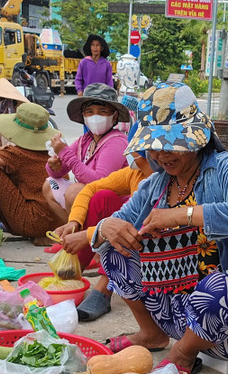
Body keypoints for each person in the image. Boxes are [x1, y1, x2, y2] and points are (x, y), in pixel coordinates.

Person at [94, 83, 228, 374]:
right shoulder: (157, 184)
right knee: (116, 251)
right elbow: (117, 225)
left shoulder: (224, 168)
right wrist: (106, 226)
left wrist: (184, 215)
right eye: (155, 145)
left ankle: (183, 353)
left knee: (219, 287)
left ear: (195, 138)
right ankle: (152, 334)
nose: (162, 154)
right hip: (174, 315)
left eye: (172, 144)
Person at [51, 130, 156, 322]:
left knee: (119, 235)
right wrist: (74, 222)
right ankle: (73, 277)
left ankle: (104, 288)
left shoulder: (164, 181)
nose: (134, 160)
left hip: (152, 251)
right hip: (128, 232)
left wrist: (88, 235)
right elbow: (91, 187)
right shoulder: (135, 173)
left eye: (138, 156)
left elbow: (138, 225)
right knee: (102, 198)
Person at [0, 103, 62, 242]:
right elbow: (2, 150)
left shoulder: (19, 153)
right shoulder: (51, 150)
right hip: (57, 221)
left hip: (32, 221)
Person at [42, 83, 129, 225]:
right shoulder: (85, 140)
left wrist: (64, 152)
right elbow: (59, 171)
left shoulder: (116, 142)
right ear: (84, 116)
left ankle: (82, 240)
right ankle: (69, 233)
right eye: (90, 112)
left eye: (102, 112)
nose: (95, 116)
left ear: (114, 117)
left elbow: (99, 181)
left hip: (113, 203)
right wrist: (53, 165)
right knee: (49, 185)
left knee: (75, 190)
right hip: (90, 195)